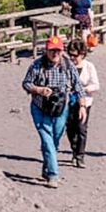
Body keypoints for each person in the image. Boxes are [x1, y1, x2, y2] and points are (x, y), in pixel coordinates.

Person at [22, 35, 87, 188]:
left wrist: (82, 105)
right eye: (52, 51)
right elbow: (26, 83)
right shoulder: (37, 65)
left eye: (58, 50)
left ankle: (46, 168)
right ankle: (53, 175)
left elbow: (77, 85)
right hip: (40, 108)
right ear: (46, 50)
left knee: (55, 140)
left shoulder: (67, 64)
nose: (55, 54)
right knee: (47, 140)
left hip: (60, 107)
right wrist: (38, 90)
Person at [65, 38, 100, 169]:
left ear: (82, 54)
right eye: (70, 55)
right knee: (69, 128)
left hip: (85, 101)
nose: (72, 58)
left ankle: (80, 155)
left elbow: (96, 85)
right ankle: (74, 148)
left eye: (75, 55)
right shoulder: (66, 66)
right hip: (69, 101)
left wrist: (83, 89)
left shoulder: (89, 67)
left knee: (81, 128)